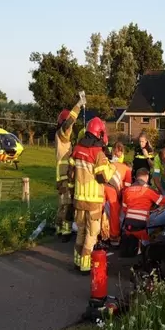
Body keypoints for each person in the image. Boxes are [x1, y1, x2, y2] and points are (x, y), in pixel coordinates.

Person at [68, 117, 116, 272]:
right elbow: (103, 177)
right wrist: (112, 167)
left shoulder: (76, 149)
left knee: (80, 231)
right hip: (93, 200)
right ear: (99, 133)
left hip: (78, 199)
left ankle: (77, 261)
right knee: (92, 233)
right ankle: (85, 265)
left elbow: (71, 174)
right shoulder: (98, 154)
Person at [54, 94, 85, 241]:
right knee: (67, 204)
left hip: (62, 176)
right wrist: (78, 105)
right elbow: (69, 123)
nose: (71, 129)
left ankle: (60, 229)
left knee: (62, 204)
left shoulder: (60, 137)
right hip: (65, 176)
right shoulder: (62, 134)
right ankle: (65, 231)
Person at [120, 167, 165, 257]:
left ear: (136, 177)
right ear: (147, 176)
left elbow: (124, 209)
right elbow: (164, 201)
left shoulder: (127, 191)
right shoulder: (148, 190)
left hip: (128, 227)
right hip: (142, 227)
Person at [101, 160, 132, 247]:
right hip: (111, 188)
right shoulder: (127, 170)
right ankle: (114, 237)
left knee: (100, 210)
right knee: (114, 210)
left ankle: (99, 235)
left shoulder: (114, 164)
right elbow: (127, 189)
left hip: (100, 185)